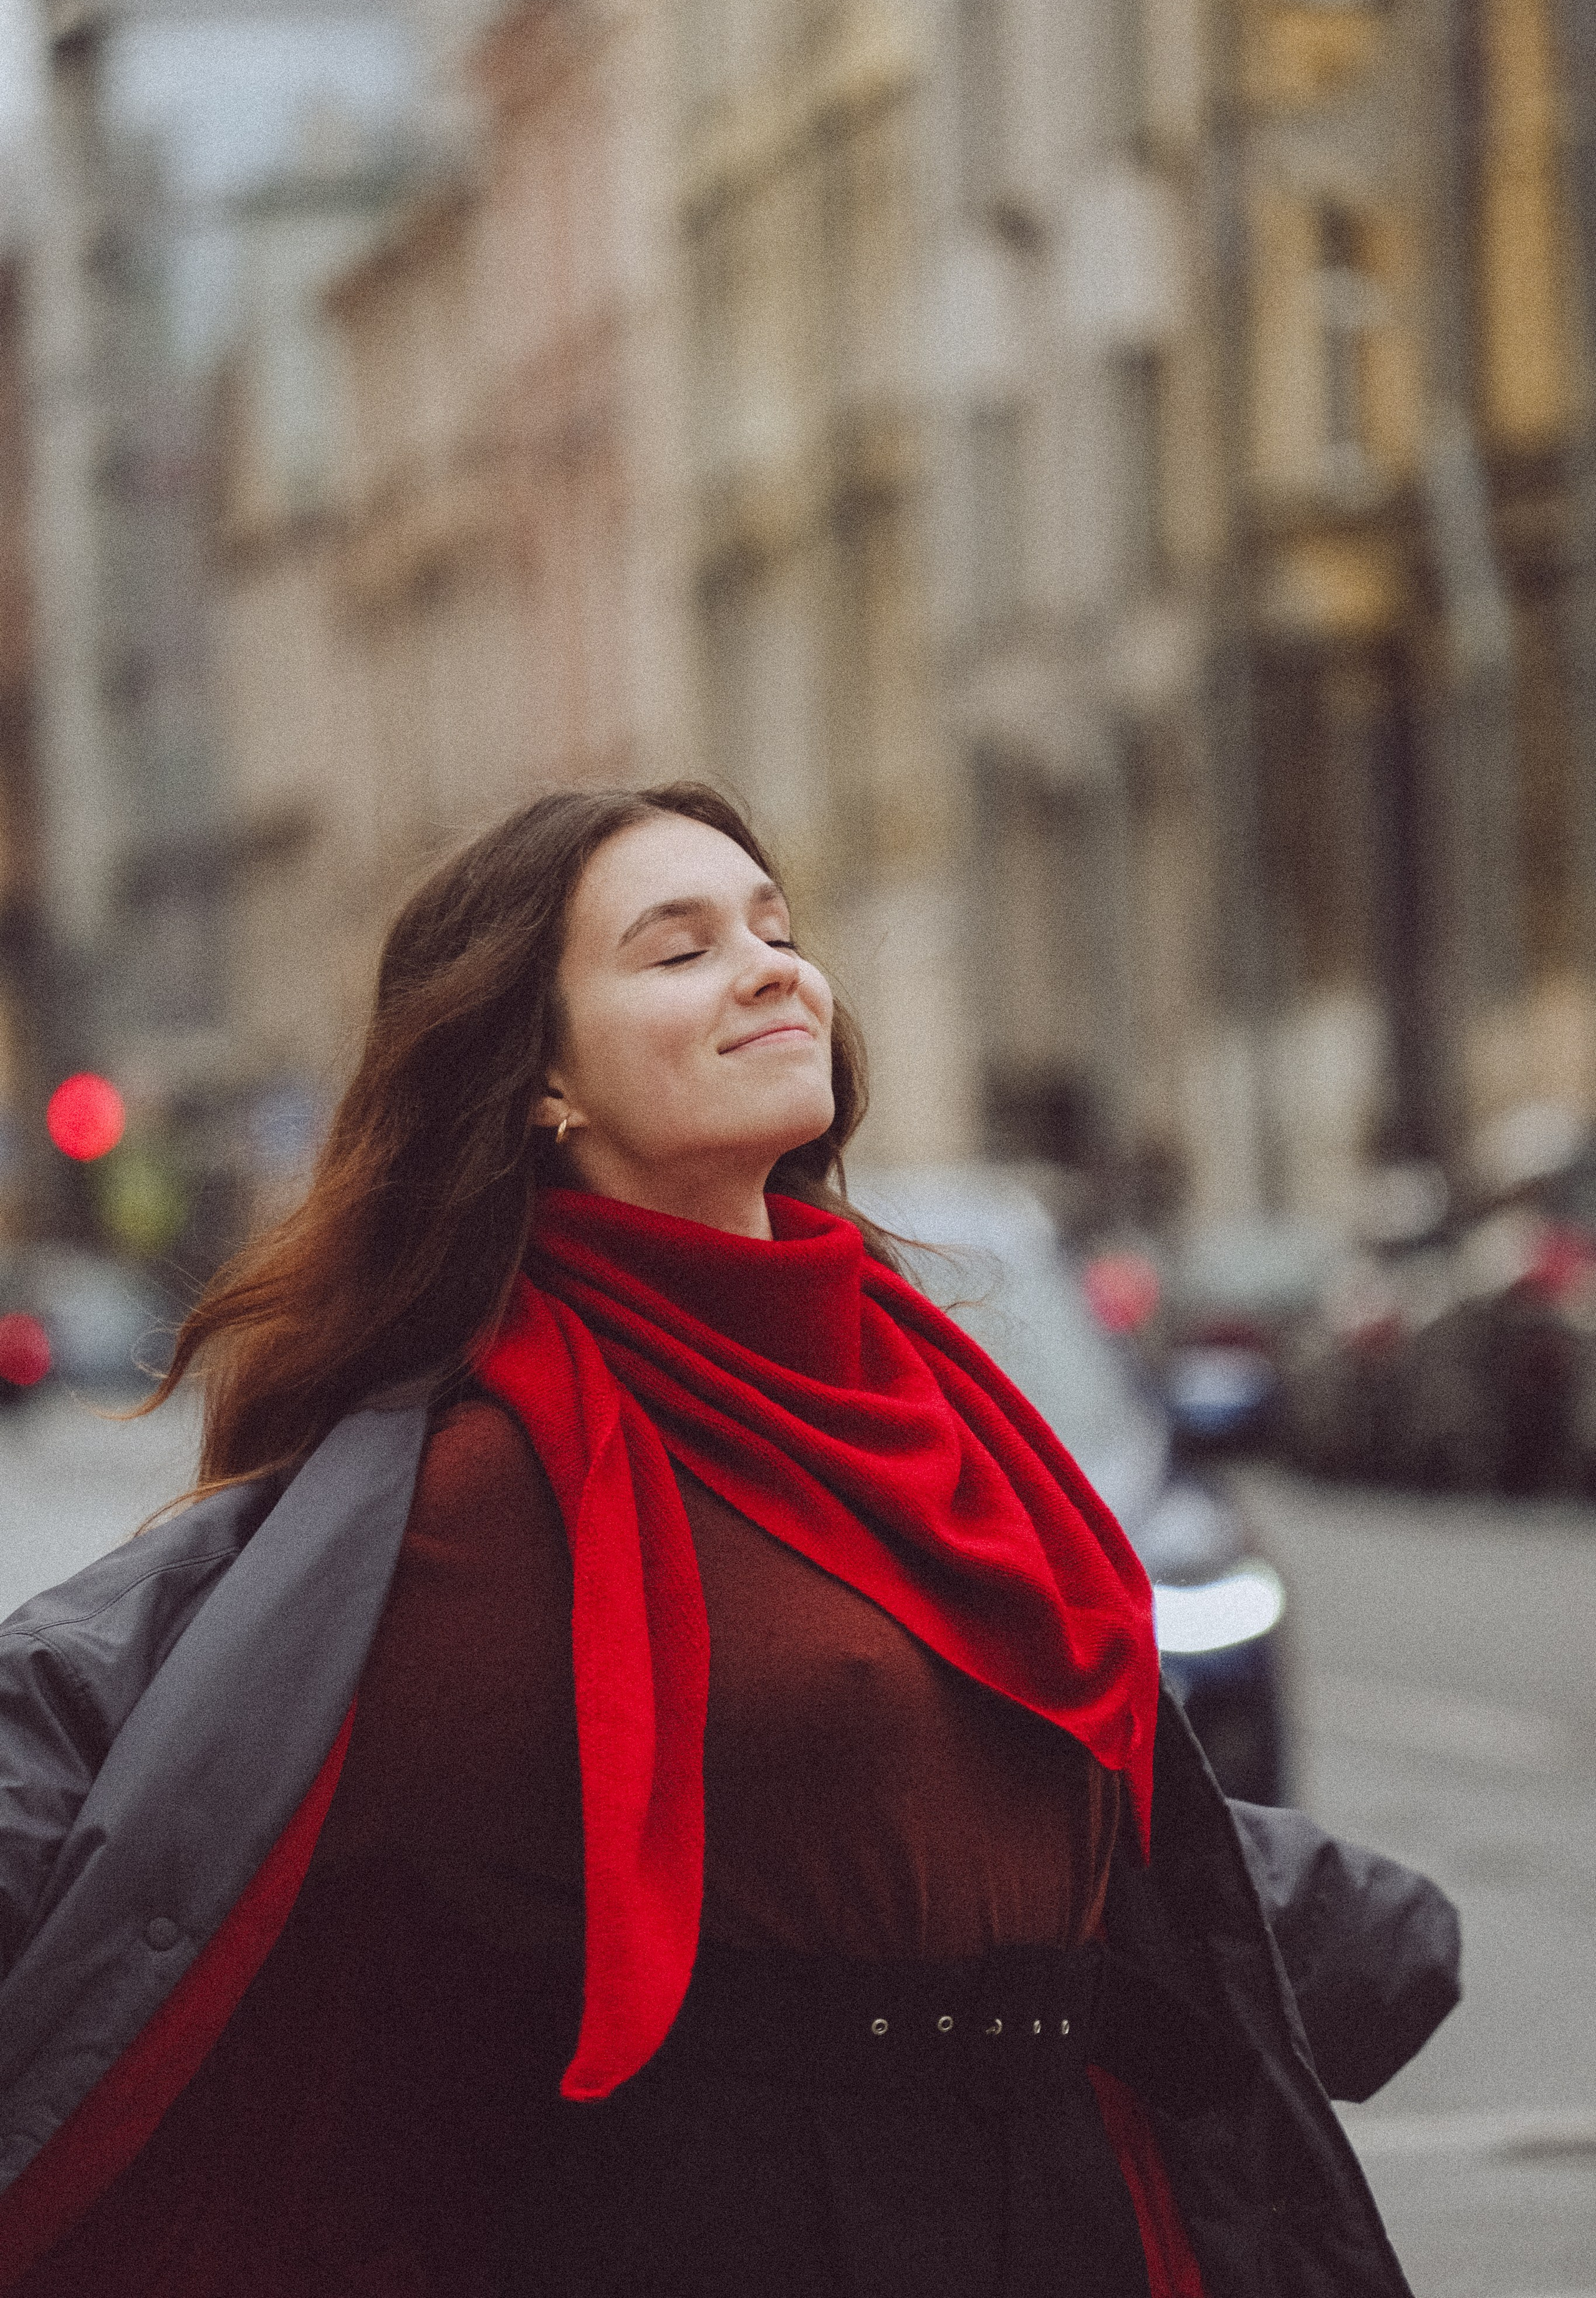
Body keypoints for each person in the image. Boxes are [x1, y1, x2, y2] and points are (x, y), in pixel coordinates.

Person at [0, 785, 1458, 2297]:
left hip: (1068, 2193)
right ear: (536, 1080)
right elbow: (208, 1806)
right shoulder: (490, 1486)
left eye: (775, 928)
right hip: (746, 2221)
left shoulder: (923, 1387)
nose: (774, 969)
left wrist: (1292, 1904)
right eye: (676, 948)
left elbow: (961, 1742)